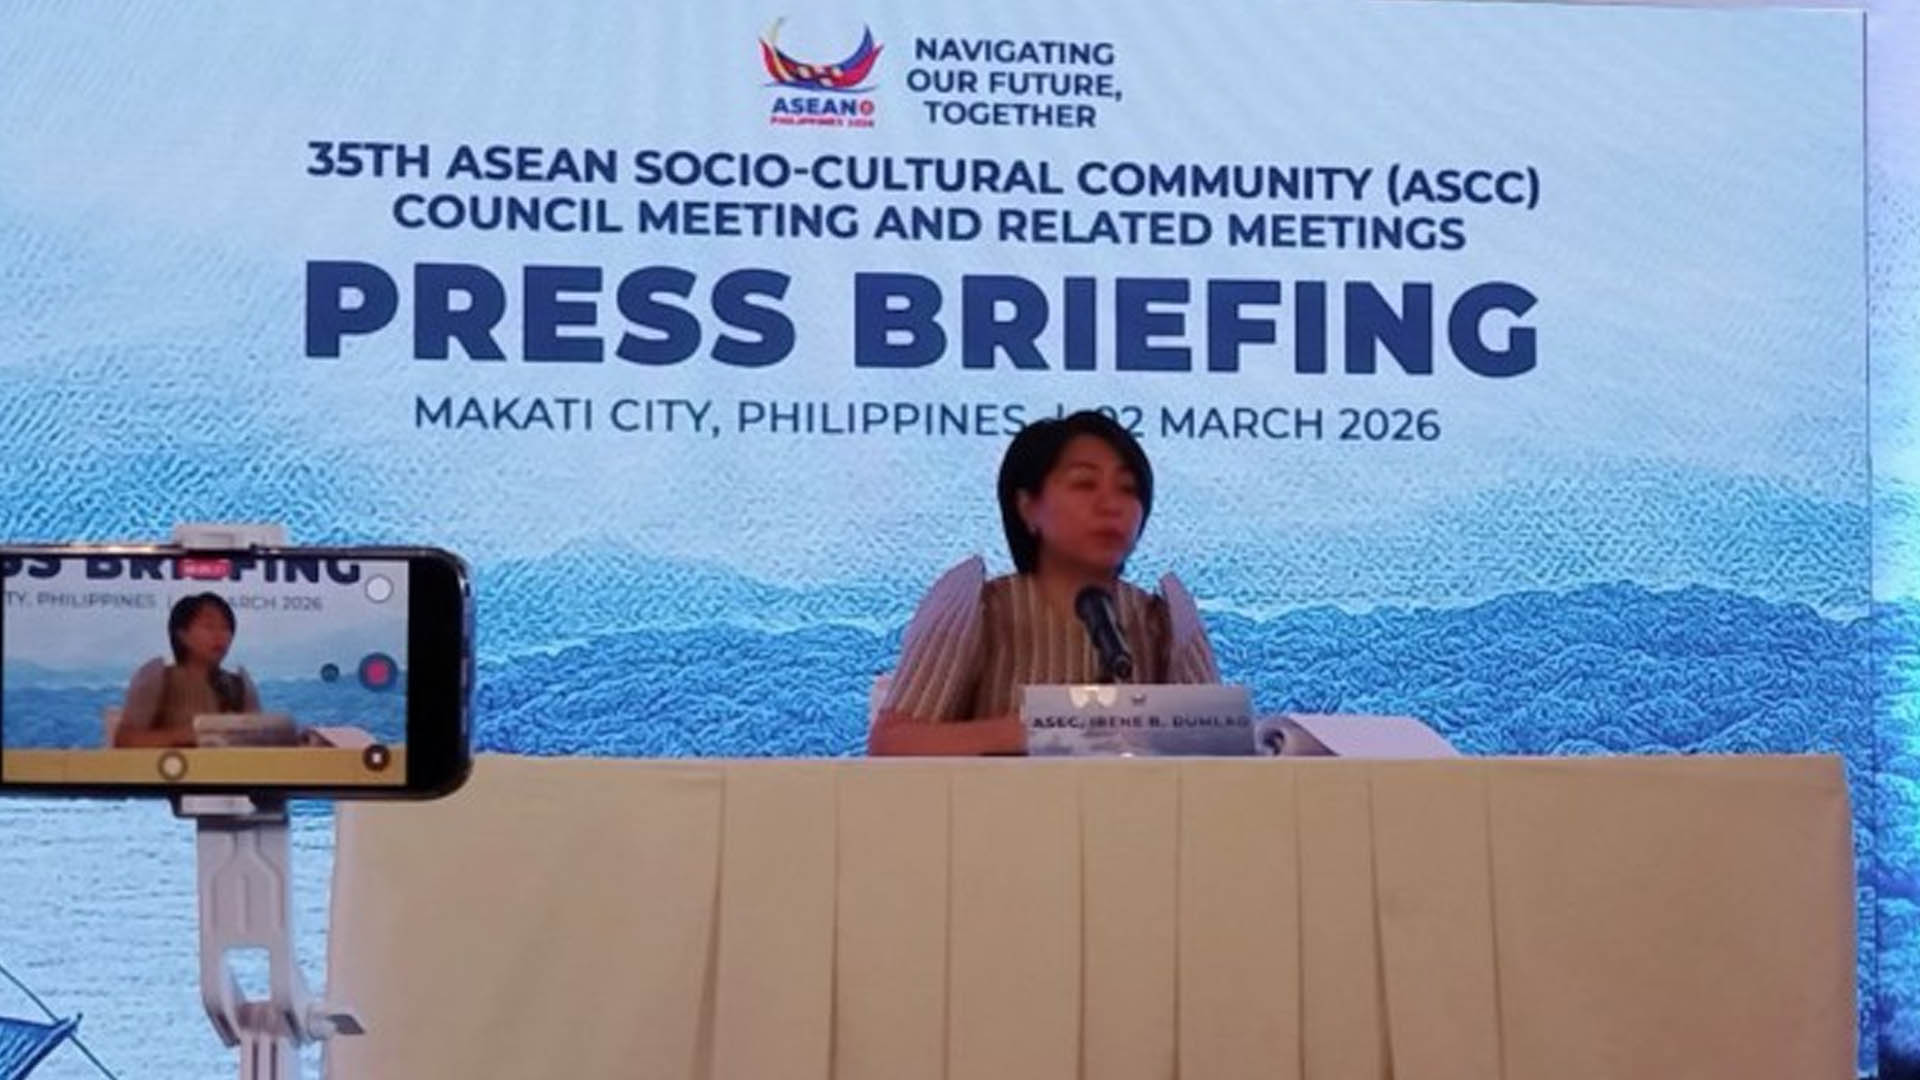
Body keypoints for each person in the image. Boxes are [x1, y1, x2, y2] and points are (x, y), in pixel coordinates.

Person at [868, 410, 1222, 756]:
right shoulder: (980, 607)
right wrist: (1031, 731)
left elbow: (1221, 747)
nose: (1110, 504)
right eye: (1084, 484)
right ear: (1027, 508)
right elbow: (894, 742)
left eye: (1128, 488)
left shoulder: (1163, 619)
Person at [115, 592, 262, 748]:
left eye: (226, 628)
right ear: (182, 635)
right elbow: (124, 741)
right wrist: (184, 735)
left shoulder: (238, 684)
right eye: (209, 627)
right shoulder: (158, 677)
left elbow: (260, 741)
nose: (220, 636)